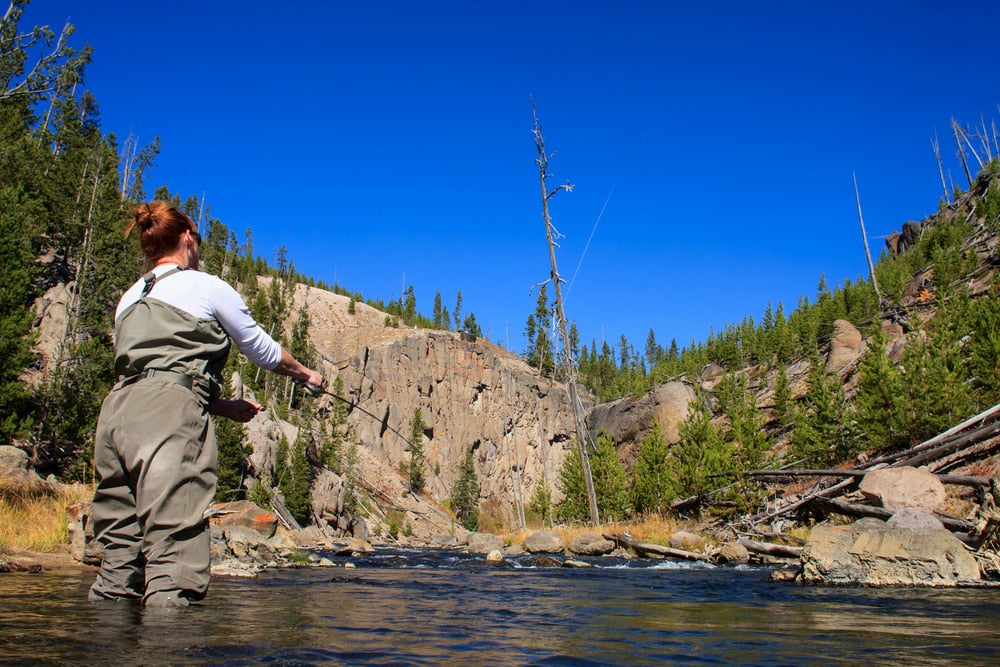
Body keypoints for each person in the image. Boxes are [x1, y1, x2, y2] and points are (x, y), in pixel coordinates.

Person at [88, 201, 323, 607]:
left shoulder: (128, 299)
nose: (199, 248)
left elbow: (150, 372)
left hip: (114, 417)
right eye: (197, 239)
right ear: (186, 237)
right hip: (167, 417)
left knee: (118, 561)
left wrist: (221, 406)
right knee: (173, 563)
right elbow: (264, 353)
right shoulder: (205, 285)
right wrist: (306, 375)